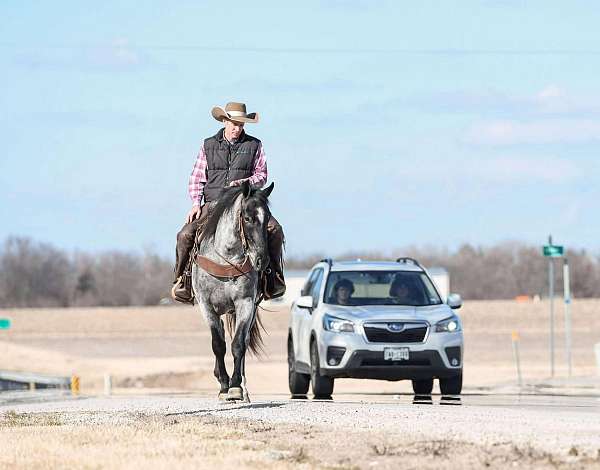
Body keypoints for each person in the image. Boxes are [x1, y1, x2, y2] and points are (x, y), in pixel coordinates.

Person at [171, 102, 286, 303]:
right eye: (233, 123)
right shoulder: (208, 144)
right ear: (224, 121)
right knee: (185, 235)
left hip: (246, 202)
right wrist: (196, 203)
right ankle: (183, 280)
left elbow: (262, 175)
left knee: (275, 230)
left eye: (241, 125)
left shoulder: (254, 145)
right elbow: (197, 177)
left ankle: (273, 277)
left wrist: (244, 183)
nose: (237, 128)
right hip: (214, 202)